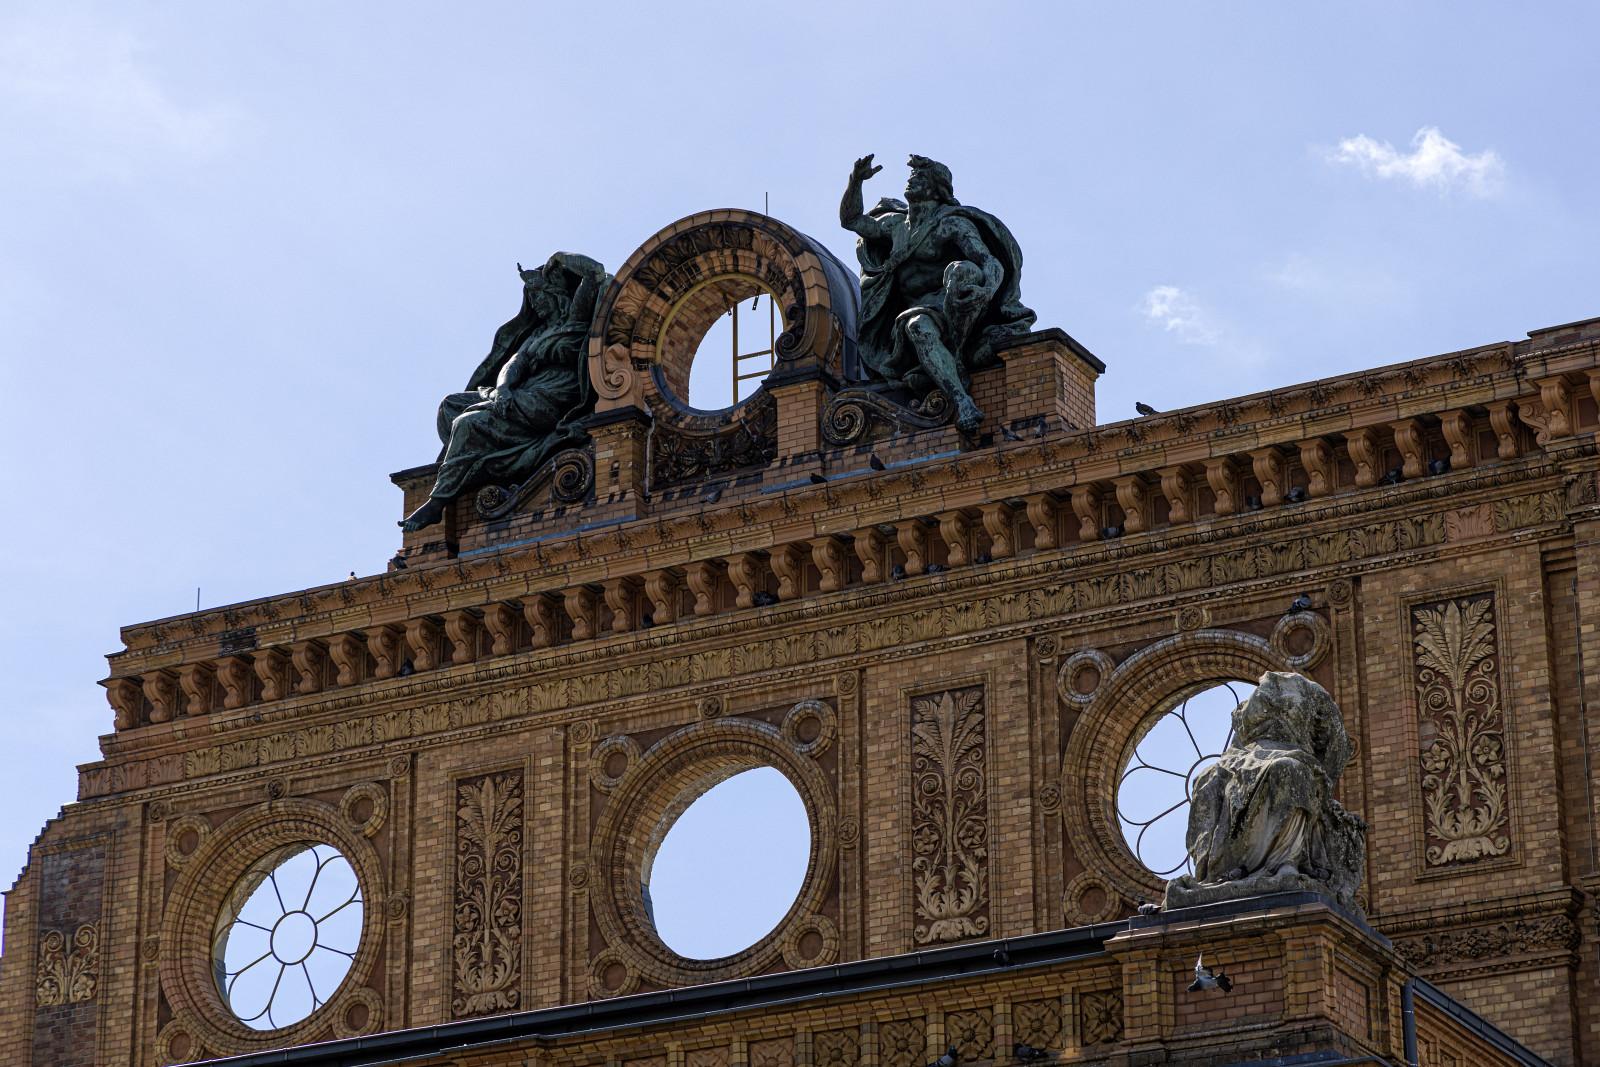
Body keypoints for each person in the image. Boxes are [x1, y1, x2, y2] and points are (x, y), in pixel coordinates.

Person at [400, 252, 609, 532]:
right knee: (449, 406)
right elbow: (514, 363)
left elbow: (595, 271)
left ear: (555, 294)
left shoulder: (575, 318)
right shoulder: (537, 334)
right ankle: (471, 468)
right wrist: (503, 388)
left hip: (550, 400)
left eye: (539, 296)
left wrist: (559, 258)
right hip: (522, 394)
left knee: (467, 424)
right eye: (531, 298)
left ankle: (436, 503)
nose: (535, 304)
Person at [840, 154, 1035, 434]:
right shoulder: (894, 226)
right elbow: (851, 220)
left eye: (920, 177)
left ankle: (956, 350)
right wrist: (856, 181)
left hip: (957, 307)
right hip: (921, 315)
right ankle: (963, 401)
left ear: (936, 189)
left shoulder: (950, 224)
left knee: (962, 270)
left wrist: (987, 290)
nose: (912, 181)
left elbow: (989, 261)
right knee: (917, 326)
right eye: (911, 176)